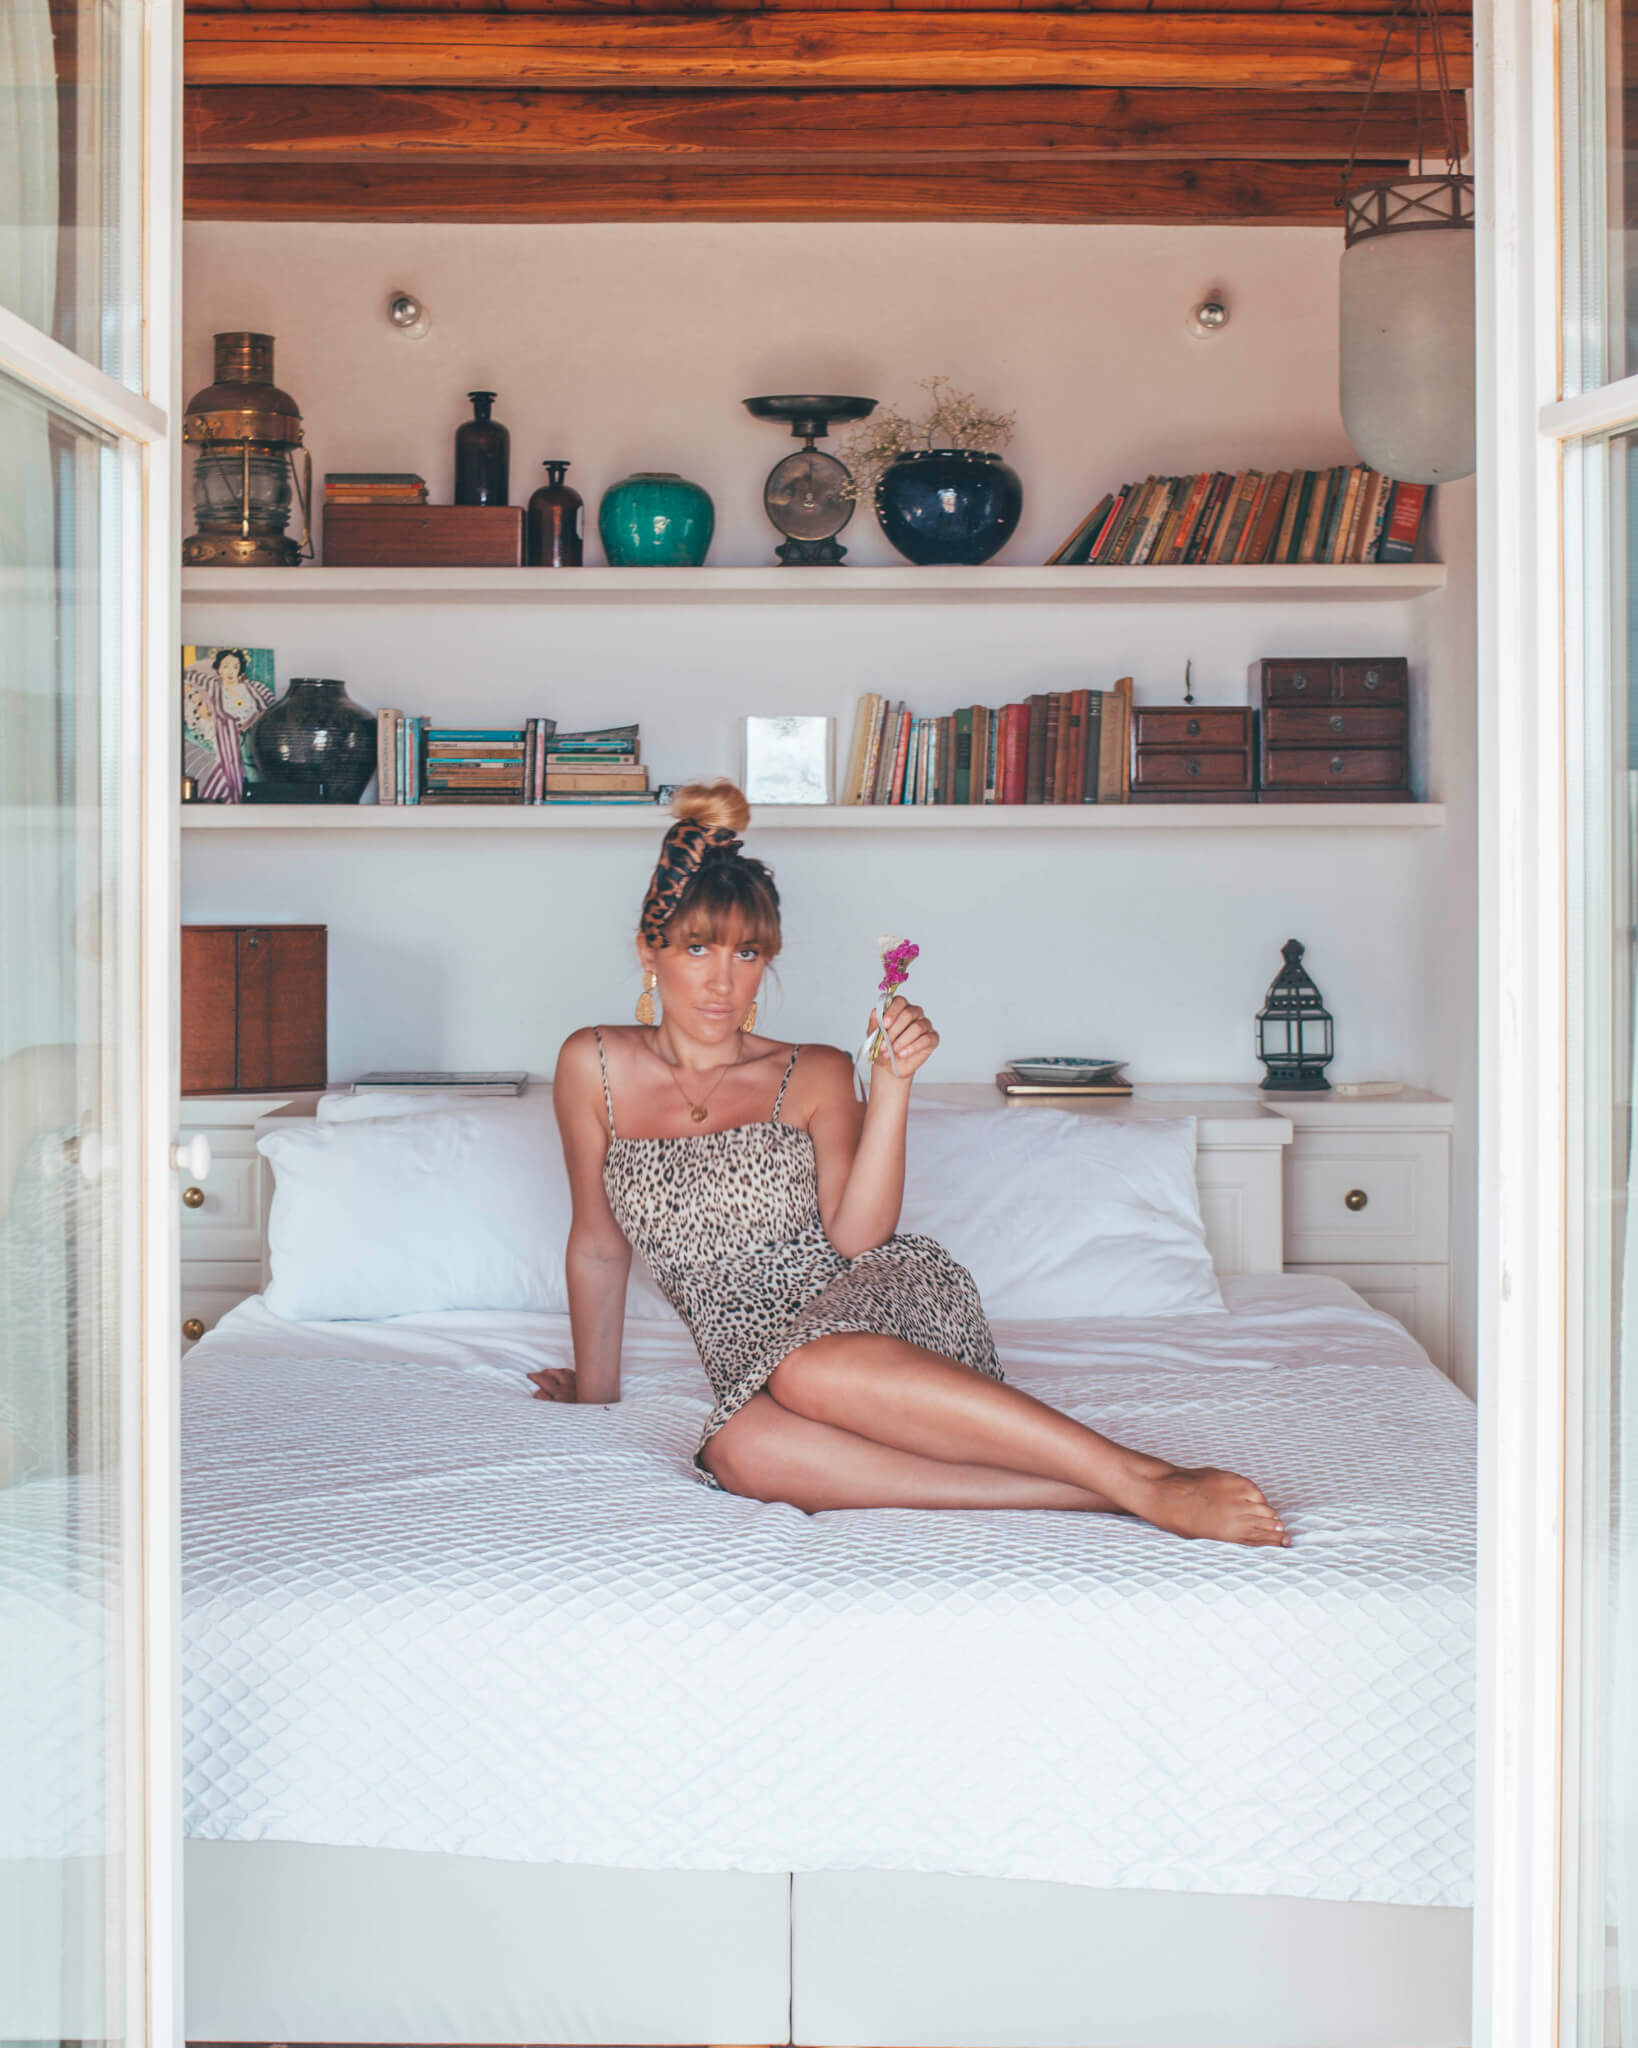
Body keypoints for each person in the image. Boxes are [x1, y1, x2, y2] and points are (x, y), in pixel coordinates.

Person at [535, 780, 1288, 1547]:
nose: (724, 981)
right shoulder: (592, 1065)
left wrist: (892, 1087)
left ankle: (1144, 1475)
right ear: (650, 951)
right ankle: (1101, 1497)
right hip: (747, 1357)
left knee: (808, 1371)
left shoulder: (815, 1071)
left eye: (747, 953)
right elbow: (597, 1245)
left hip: (873, 1299)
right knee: (738, 1450)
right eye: (698, 948)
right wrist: (595, 1398)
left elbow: (857, 1239)